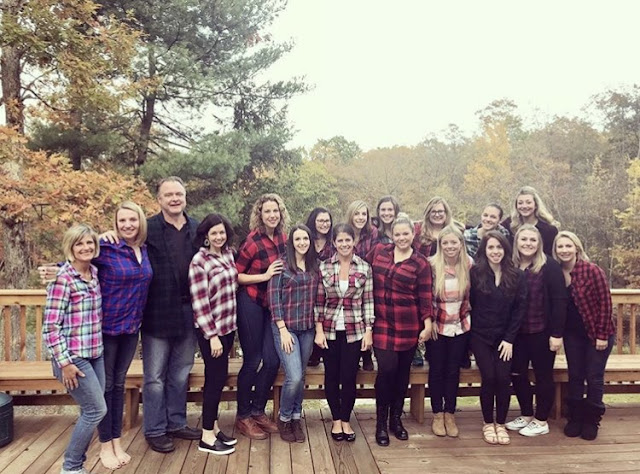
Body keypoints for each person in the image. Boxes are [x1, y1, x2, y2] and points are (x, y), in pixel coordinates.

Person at [43, 225, 107, 474]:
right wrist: (65, 363)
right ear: (70, 248)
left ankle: (77, 464)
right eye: (79, 243)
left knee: (91, 410)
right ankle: (71, 467)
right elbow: (50, 327)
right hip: (72, 358)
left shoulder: (95, 273)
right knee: (96, 410)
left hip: (95, 354)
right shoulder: (63, 279)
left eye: (89, 242)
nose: (86, 247)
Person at [95, 202, 152, 468]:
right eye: (122, 221)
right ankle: (104, 445)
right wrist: (97, 237)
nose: (127, 225)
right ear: (115, 224)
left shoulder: (144, 249)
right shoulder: (107, 247)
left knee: (118, 384)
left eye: (132, 220)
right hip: (106, 329)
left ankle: (116, 441)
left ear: (140, 222)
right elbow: (77, 257)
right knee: (106, 386)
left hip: (131, 329)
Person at [367, 214, 432, 446]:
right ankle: (381, 423)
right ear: (392, 235)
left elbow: (425, 296)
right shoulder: (379, 252)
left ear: (413, 235)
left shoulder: (420, 263)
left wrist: (427, 323)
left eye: (406, 234)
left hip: (408, 325)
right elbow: (361, 270)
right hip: (382, 323)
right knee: (387, 370)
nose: (401, 238)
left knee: (402, 374)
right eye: (397, 234)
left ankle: (396, 419)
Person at [234, 193, 288, 439]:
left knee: (272, 359)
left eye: (275, 211)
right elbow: (236, 275)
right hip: (251, 302)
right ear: (260, 214)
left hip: (272, 306)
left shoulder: (283, 238)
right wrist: (265, 276)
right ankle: (243, 416)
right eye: (267, 211)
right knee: (253, 359)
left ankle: (258, 410)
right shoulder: (252, 242)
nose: (272, 215)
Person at [506, 224, 567, 437]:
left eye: (533, 240)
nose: (528, 244)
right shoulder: (510, 265)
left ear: (539, 243)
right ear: (516, 242)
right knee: (517, 374)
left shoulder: (549, 265)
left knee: (543, 376)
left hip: (542, 331)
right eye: (524, 239)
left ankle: (541, 420)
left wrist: (557, 334)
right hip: (517, 333)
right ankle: (526, 414)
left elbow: (560, 301)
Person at [553, 231, 615, 441]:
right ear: (555, 250)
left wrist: (602, 335)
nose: (564, 250)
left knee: (594, 377)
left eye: (568, 246)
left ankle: (592, 420)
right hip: (573, 335)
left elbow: (606, 303)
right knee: (576, 375)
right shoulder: (556, 273)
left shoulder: (591, 270)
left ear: (576, 248)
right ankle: (575, 418)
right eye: (560, 246)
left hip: (597, 332)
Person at [315, 223, 374, 442]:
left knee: (349, 377)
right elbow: (319, 301)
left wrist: (368, 330)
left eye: (348, 240)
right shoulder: (324, 267)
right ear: (334, 243)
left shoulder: (364, 267)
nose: (344, 244)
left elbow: (368, 301)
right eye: (340, 240)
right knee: (331, 375)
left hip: (354, 330)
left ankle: (346, 419)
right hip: (330, 330)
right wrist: (318, 330)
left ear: (354, 241)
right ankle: (336, 419)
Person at [470, 231, 527, 445]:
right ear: (484, 250)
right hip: (480, 336)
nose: (495, 251)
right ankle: (488, 423)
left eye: (499, 247)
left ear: (506, 249)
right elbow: (471, 304)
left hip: (506, 339)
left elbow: (520, 309)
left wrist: (509, 339)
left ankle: (500, 423)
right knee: (489, 377)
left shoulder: (516, 275)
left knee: (503, 378)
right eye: (491, 247)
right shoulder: (475, 273)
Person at [188, 213, 238, 455]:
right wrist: (212, 336)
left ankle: (214, 427)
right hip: (212, 332)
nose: (219, 237)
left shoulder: (228, 254)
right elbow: (199, 303)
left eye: (222, 232)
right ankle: (206, 436)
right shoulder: (199, 261)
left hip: (228, 327)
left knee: (219, 378)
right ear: (206, 236)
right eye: (214, 233)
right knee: (214, 380)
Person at [268, 224, 319, 443]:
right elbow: (274, 300)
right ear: (291, 242)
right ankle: (284, 417)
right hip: (286, 329)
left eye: (305, 239)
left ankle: (296, 417)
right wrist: (282, 330)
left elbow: (319, 298)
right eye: (297, 239)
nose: (302, 243)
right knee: (294, 376)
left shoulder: (315, 266)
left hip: (307, 328)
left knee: (302, 376)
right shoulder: (281, 265)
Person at [427, 224, 472, 438]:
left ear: (461, 244)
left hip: (460, 326)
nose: (450, 246)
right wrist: (429, 321)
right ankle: (437, 413)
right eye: (445, 243)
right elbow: (425, 297)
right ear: (440, 244)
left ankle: (450, 413)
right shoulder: (431, 265)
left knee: (453, 371)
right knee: (437, 370)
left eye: (454, 242)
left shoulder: (469, 264)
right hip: (438, 326)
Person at [344, 200, 377, 370]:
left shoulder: (372, 233)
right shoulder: (344, 232)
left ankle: (366, 353)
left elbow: (375, 254)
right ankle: (354, 355)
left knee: (367, 313)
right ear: (351, 215)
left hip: (367, 276)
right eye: (357, 214)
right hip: (347, 278)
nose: (360, 217)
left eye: (364, 214)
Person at [305, 207, 333, 367]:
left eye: (327, 220)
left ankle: (321, 351)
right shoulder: (306, 239)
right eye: (321, 220)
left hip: (327, 287)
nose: (324, 224)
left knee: (324, 317)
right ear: (313, 222)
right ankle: (312, 353)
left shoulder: (333, 242)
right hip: (308, 286)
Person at [502, 186, 559, 256]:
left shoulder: (549, 230)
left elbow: (552, 255)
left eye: (528, 202)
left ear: (536, 205)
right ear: (516, 206)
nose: (524, 206)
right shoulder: (509, 224)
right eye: (520, 203)